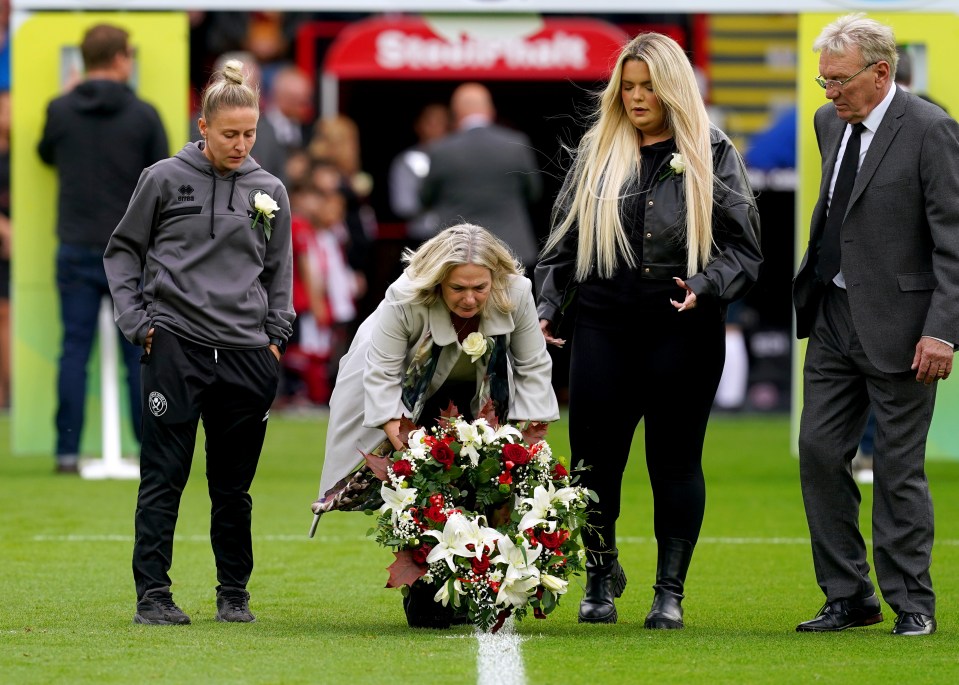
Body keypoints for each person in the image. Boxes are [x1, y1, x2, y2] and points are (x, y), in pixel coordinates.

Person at [536, 32, 762, 628]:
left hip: (681, 326)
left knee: (676, 462)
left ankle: (669, 592)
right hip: (603, 322)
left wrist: (705, 285)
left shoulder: (713, 150)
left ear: (672, 87)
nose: (636, 98)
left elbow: (744, 250)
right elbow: (561, 244)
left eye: (648, 87)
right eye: (627, 86)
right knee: (592, 463)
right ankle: (599, 577)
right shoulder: (597, 149)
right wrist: (547, 305)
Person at [103, 60, 294, 625]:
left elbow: (280, 268)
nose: (241, 144)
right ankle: (153, 597)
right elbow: (121, 251)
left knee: (233, 489)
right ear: (203, 127)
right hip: (176, 346)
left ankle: (233, 594)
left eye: (250, 133)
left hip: (246, 355)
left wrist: (274, 338)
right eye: (230, 133)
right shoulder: (162, 178)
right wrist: (138, 322)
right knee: (164, 477)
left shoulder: (271, 190)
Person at [793, 13, 959, 638]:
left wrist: (942, 330)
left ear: (881, 72)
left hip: (905, 327)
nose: (828, 92)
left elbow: (954, 241)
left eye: (837, 81)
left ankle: (912, 601)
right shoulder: (826, 122)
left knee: (898, 468)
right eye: (823, 80)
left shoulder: (932, 129)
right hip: (832, 316)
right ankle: (848, 597)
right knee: (817, 452)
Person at [309, 223, 559, 628]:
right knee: (420, 488)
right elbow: (385, 372)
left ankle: (476, 580)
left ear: (494, 280)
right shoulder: (405, 295)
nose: (470, 298)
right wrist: (406, 444)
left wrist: (527, 435)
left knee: (485, 480)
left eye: (479, 287)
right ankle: (423, 589)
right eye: (458, 288)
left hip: (480, 389)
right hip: (407, 386)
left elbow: (531, 363)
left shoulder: (517, 291)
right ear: (438, 282)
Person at [38, 23, 169, 474]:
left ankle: (66, 451)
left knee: (74, 349)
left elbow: (44, 154)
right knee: (140, 352)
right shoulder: (144, 114)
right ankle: (147, 448)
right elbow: (163, 179)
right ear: (120, 58)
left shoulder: (59, 109)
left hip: (74, 244)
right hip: (130, 251)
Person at [421, 83, 542, 270]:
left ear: (456, 113)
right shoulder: (517, 144)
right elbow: (534, 193)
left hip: (456, 251)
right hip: (511, 250)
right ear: (490, 110)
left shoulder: (441, 150)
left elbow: (425, 198)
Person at [388, 102, 450, 243]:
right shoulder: (407, 161)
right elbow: (403, 205)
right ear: (419, 125)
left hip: (458, 240)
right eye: (430, 122)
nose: (436, 128)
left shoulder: (461, 160)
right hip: (421, 238)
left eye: (441, 122)